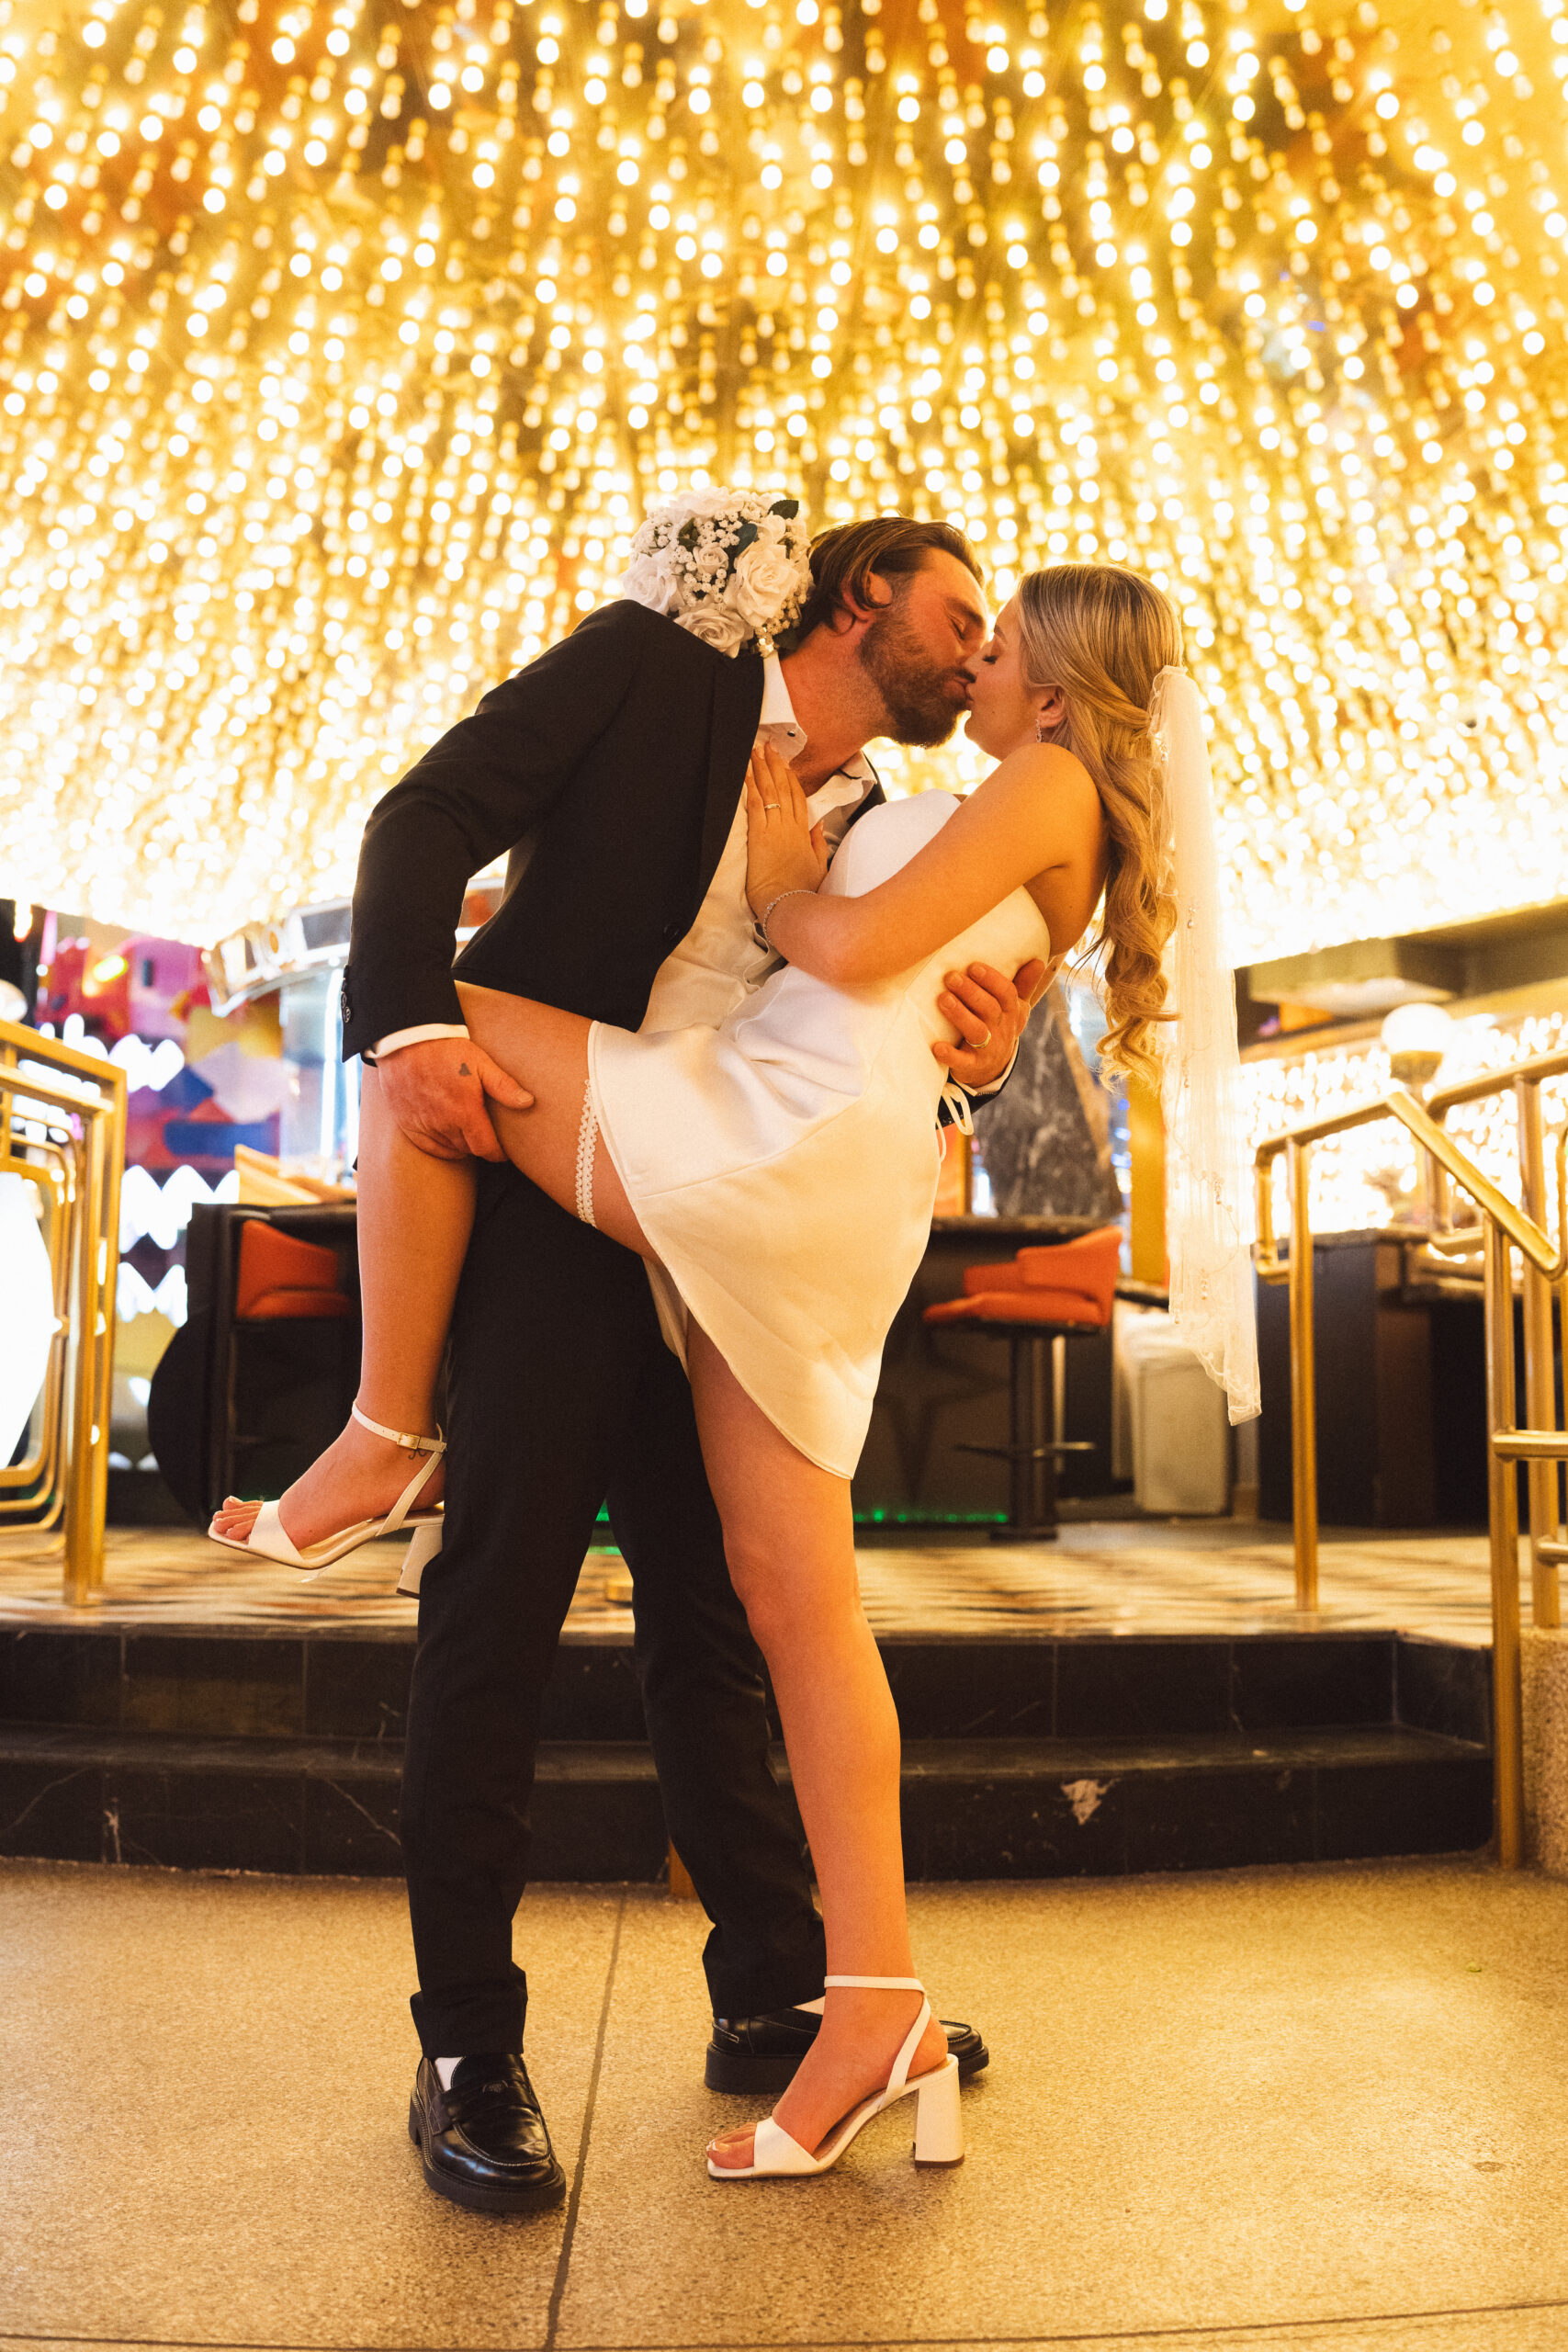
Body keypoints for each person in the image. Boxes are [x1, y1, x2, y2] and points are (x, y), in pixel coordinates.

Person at [215, 555, 1260, 2186]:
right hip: (608, 1188)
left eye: (1002, 637)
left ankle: (782, 1978)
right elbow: (426, 821)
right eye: (955, 612)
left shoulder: (902, 800)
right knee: (605, 1609)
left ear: (1055, 691)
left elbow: (864, 967)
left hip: (736, 1164)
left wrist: (965, 1049)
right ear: (859, 594)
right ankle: (499, 2041)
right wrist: (402, 1014)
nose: (974, 647)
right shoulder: (664, 668)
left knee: (730, 1623)